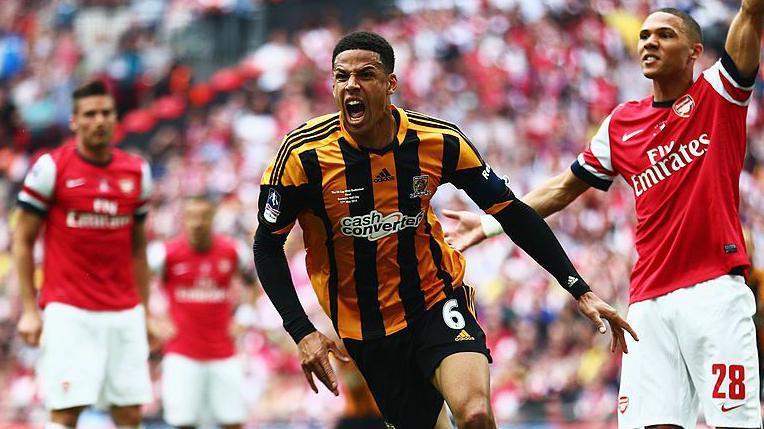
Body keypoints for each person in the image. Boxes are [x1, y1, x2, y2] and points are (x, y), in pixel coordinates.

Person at [252, 31, 636, 429]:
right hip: (365, 329)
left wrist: (580, 289)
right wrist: (301, 331)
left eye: (366, 74)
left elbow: (512, 212)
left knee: (475, 415)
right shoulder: (302, 154)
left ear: (390, 84)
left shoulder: (438, 141)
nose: (352, 85)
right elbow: (266, 247)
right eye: (341, 76)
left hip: (435, 300)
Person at [443, 5, 764, 429]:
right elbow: (561, 189)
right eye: (645, 35)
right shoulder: (620, 124)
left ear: (694, 52)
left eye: (665, 35)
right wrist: (488, 224)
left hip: (714, 291)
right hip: (646, 302)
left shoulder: (718, 94)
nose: (650, 41)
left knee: (734, 424)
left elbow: (752, 11)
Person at [13, 80, 154, 429]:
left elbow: (138, 248)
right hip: (69, 310)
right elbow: (23, 239)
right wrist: (30, 310)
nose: (100, 120)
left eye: (106, 112)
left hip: (123, 310)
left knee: (130, 413)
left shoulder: (137, 172)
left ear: (116, 118)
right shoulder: (51, 168)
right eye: (90, 114)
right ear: (75, 121)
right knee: (65, 411)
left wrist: (146, 311)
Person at [147, 195, 254, 429]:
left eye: (204, 216)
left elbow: (251, 282)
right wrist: (151, 319)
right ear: (183, 219)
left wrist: (246, 314)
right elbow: (139, 281)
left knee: (233, 421)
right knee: (184, 422)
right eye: (192, 216)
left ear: (213, 217)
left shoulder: (232, 252)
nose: (197, 222)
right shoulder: (166, 254)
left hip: (223, 350)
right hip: (182, 352)